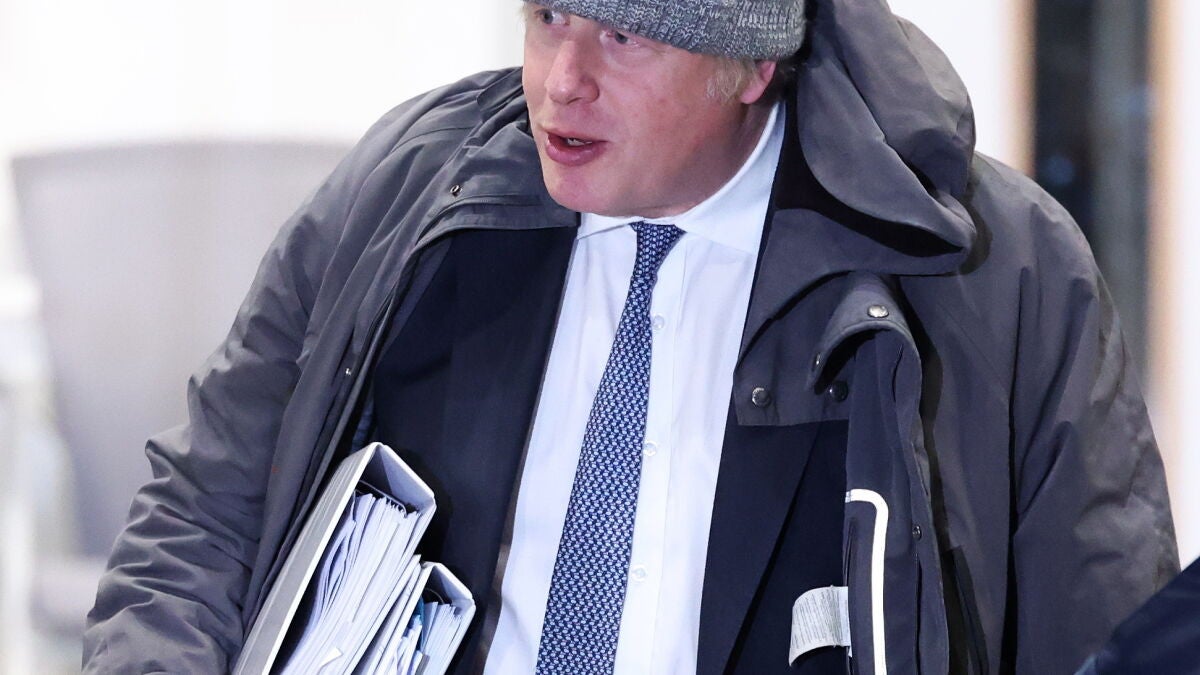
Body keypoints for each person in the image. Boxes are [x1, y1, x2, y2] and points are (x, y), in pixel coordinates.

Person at [83, 0, 1180, 673]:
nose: (564, 80)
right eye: (549, 16)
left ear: (752, 66)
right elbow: (201, 513)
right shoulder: (408, 194)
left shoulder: (999, 275)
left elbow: (1109, 628)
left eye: (624, 34)